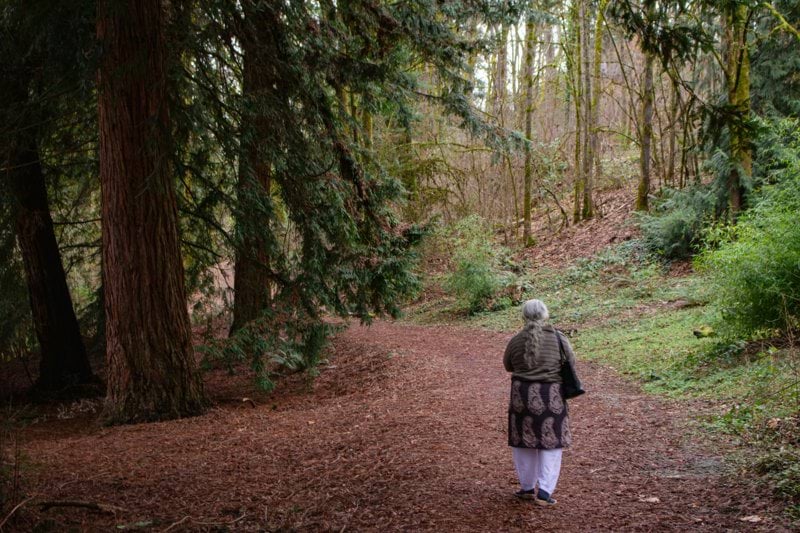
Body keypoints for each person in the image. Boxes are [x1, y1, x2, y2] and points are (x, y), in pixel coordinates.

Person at [503, 299, 576, 506]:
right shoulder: (558, 339)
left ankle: (526, 488)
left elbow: (508, 365)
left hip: (522, 396)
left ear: (523, 316)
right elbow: (570, 361)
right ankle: (545, 492)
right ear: (545, 315)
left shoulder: (516, 340)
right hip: (550, 395)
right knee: (551, 442)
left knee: (523, 441)